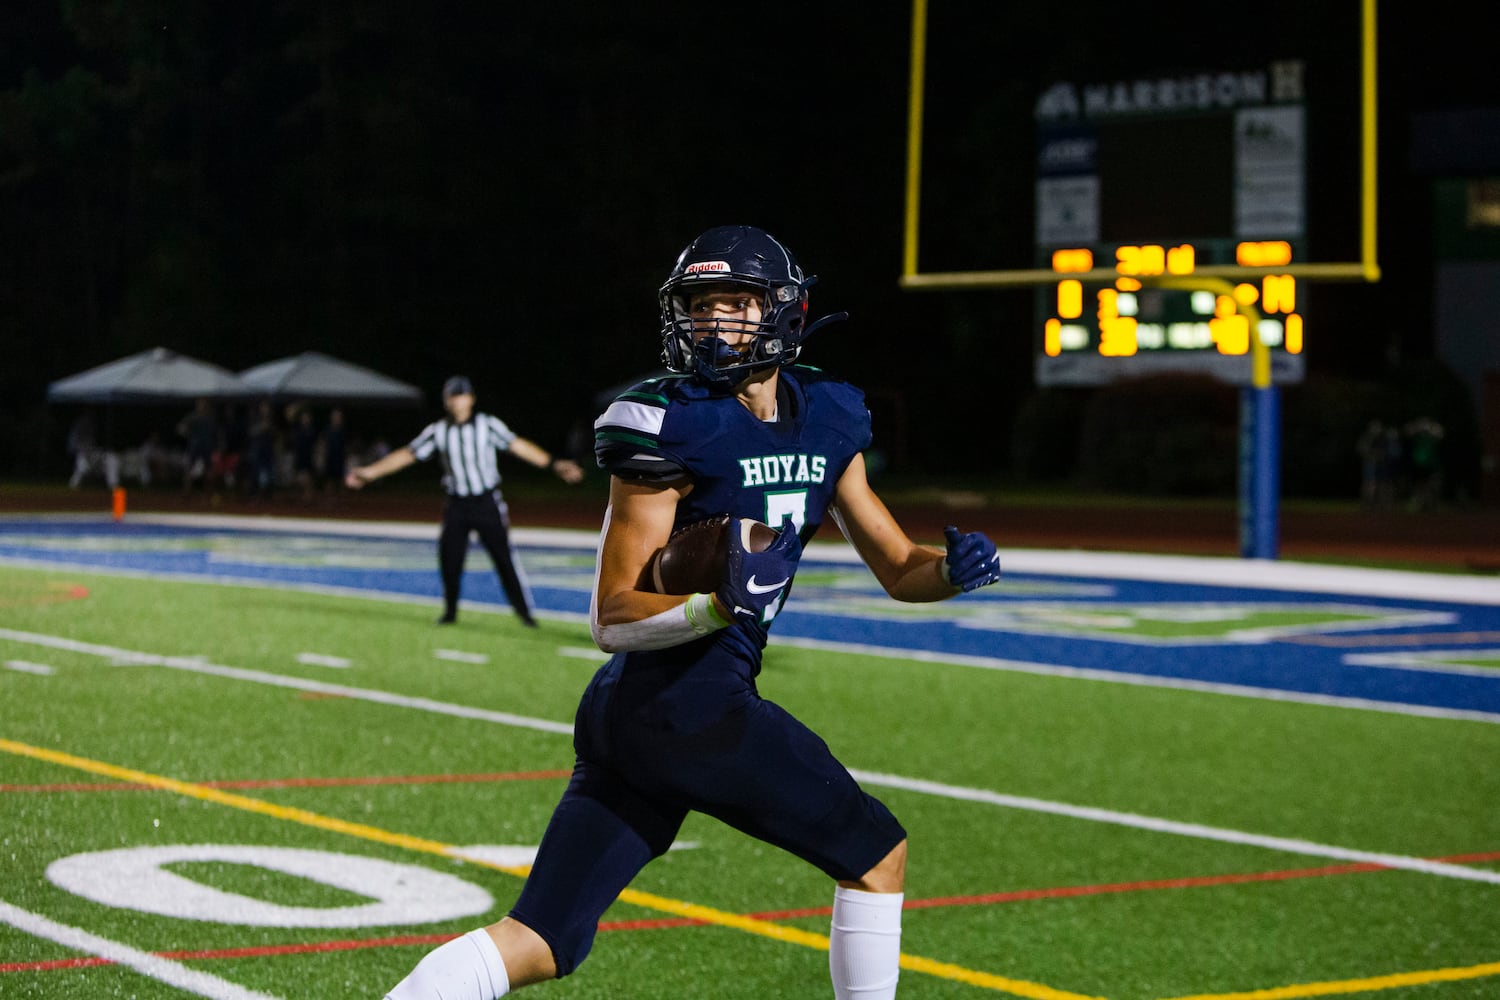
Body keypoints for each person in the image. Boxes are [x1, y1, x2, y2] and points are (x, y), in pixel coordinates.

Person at [382, 226, 1003, 999]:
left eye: (734, 304)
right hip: (686, 701)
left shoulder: (829, 414)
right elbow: (611, 616)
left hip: (636, 716)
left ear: (783, 310)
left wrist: (950, 571)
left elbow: (895, 565)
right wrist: (717, 605)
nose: (713, 323)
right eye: (701, 306)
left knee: (542, 940)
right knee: (877, 855)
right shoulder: (668, 421)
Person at [345, 376, 585, 625]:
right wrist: (371, 472)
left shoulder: (487, 425)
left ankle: (525, 613)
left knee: (503, 558)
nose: (457, 402)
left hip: (486, 501)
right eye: (453, 397)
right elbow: (408, 454)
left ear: (471, 399)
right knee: (449, 558)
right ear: (447, 401)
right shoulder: (438, 431)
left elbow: (518, 446)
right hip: (457, 504)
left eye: (461, 396)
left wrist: (554, 464)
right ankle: (449, 612)